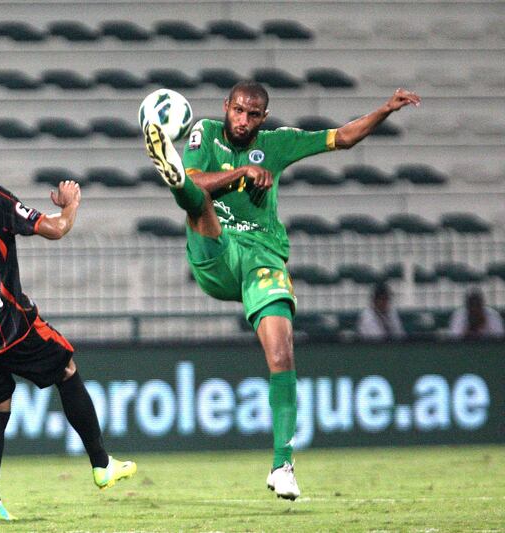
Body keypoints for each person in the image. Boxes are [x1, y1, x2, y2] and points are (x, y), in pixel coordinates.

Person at [143, 82, 420, 500]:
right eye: (238, 110)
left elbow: (342, 138)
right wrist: (240, 173)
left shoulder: (278, 143)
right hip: (216, 253)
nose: (243, 120)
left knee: (281, 353)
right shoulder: (204, 133)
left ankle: (282, 464)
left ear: (263, 119)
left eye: (253, 115)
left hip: (263, 260)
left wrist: (386, 108)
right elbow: (202, 182)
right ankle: (174, 174)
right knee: (195, 196)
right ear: (226, 107)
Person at [0, 129, 136, 521]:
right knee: (66, 369)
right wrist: (69, 207)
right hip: (11, 325)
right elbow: (55, 229)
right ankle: (102, 464)